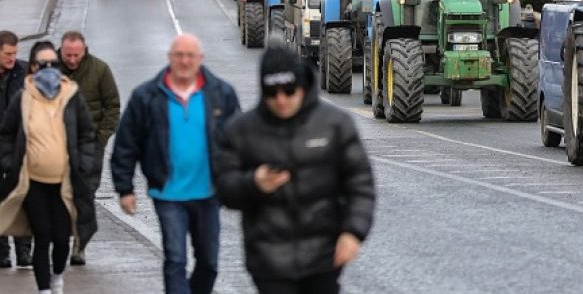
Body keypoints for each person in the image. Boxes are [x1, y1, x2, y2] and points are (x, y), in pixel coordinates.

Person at [215, 42, 375, 294]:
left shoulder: (334, 124)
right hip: (269, 261)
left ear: (302, 85)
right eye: (272, 92)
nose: (281, 100)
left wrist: (353, 232)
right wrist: (253, 184)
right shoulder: (241, 130)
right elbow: (223, 187)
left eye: (289, 90)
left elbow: (360, 184)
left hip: (323, 257)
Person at [111, 34, 240, 294]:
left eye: (190, 56)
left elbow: (239, 142)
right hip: (168, 193)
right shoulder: (146, 96)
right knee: (175, 259)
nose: (184, 61)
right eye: (179, 55)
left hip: (208, 193)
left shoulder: (221, 94)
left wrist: (241, 182)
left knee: (209, 263)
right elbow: (126, 144)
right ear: (169, 57)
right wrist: (125, 189)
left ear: (200, 59)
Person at [0, 40, 97, 294]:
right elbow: (7, 134)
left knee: (62, 237)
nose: (48, 68)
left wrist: (84, 164)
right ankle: (44, 289)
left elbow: (87, 133)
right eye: (42, 64)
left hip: (64, 181)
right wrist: (10, 163)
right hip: (32, 180)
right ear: (33, 67)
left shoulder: (71, 96)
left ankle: (57, 277)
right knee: (42, 235)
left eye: (53, 63)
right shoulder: (23, 97)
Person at [58, 30, 120, 265]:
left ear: (85, 51)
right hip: (57, 144)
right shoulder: (50, 69)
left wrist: (101, 138)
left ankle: (79, 245)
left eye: (76, 55)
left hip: (89, 146)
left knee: (84, 195)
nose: (72, 60)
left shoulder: (100, 70)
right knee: (60, 195)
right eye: (68, 55)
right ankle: (62, 239)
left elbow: (112, 105)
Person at [0, 31, 32, 269]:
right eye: (7, 53)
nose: (12, 57)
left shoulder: (25, 73)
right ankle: (2, 254)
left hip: (20, 147)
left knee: (22, 200)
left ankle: (24, 252)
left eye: (15, 53)